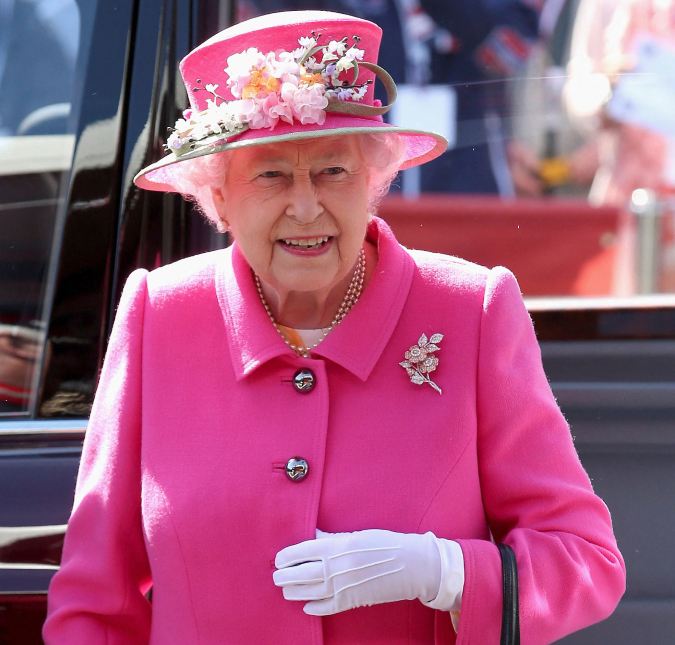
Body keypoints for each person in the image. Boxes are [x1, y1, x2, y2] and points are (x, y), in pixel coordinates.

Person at [43, 10, 625, 645]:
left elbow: (586, 562)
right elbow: (94, 603)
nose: (305, 205)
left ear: (373, 179)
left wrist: (447, 572)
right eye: (270, 174)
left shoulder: (469, 310)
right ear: (219, 198)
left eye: (332, 170)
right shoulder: (160, 314)